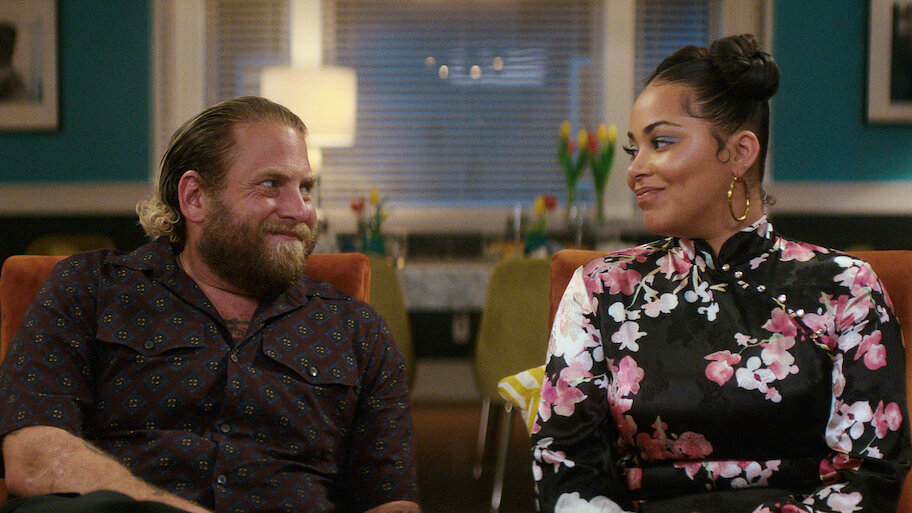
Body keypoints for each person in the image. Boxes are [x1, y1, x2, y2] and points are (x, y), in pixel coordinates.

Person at [531, 34, 911, 513]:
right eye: (633, 150)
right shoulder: (600, 289)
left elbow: (871, 472)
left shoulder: (846, 288)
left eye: (660, 142)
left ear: (740, 151)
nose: (634, 170)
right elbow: (564, 461)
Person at [0, 96, 420, 513]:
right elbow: (34, 459)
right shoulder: (89, 287)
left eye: (306, 188)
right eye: (270, 185)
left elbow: (390, 499)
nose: (300, 210)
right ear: (195, 197)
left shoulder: (356, 329)